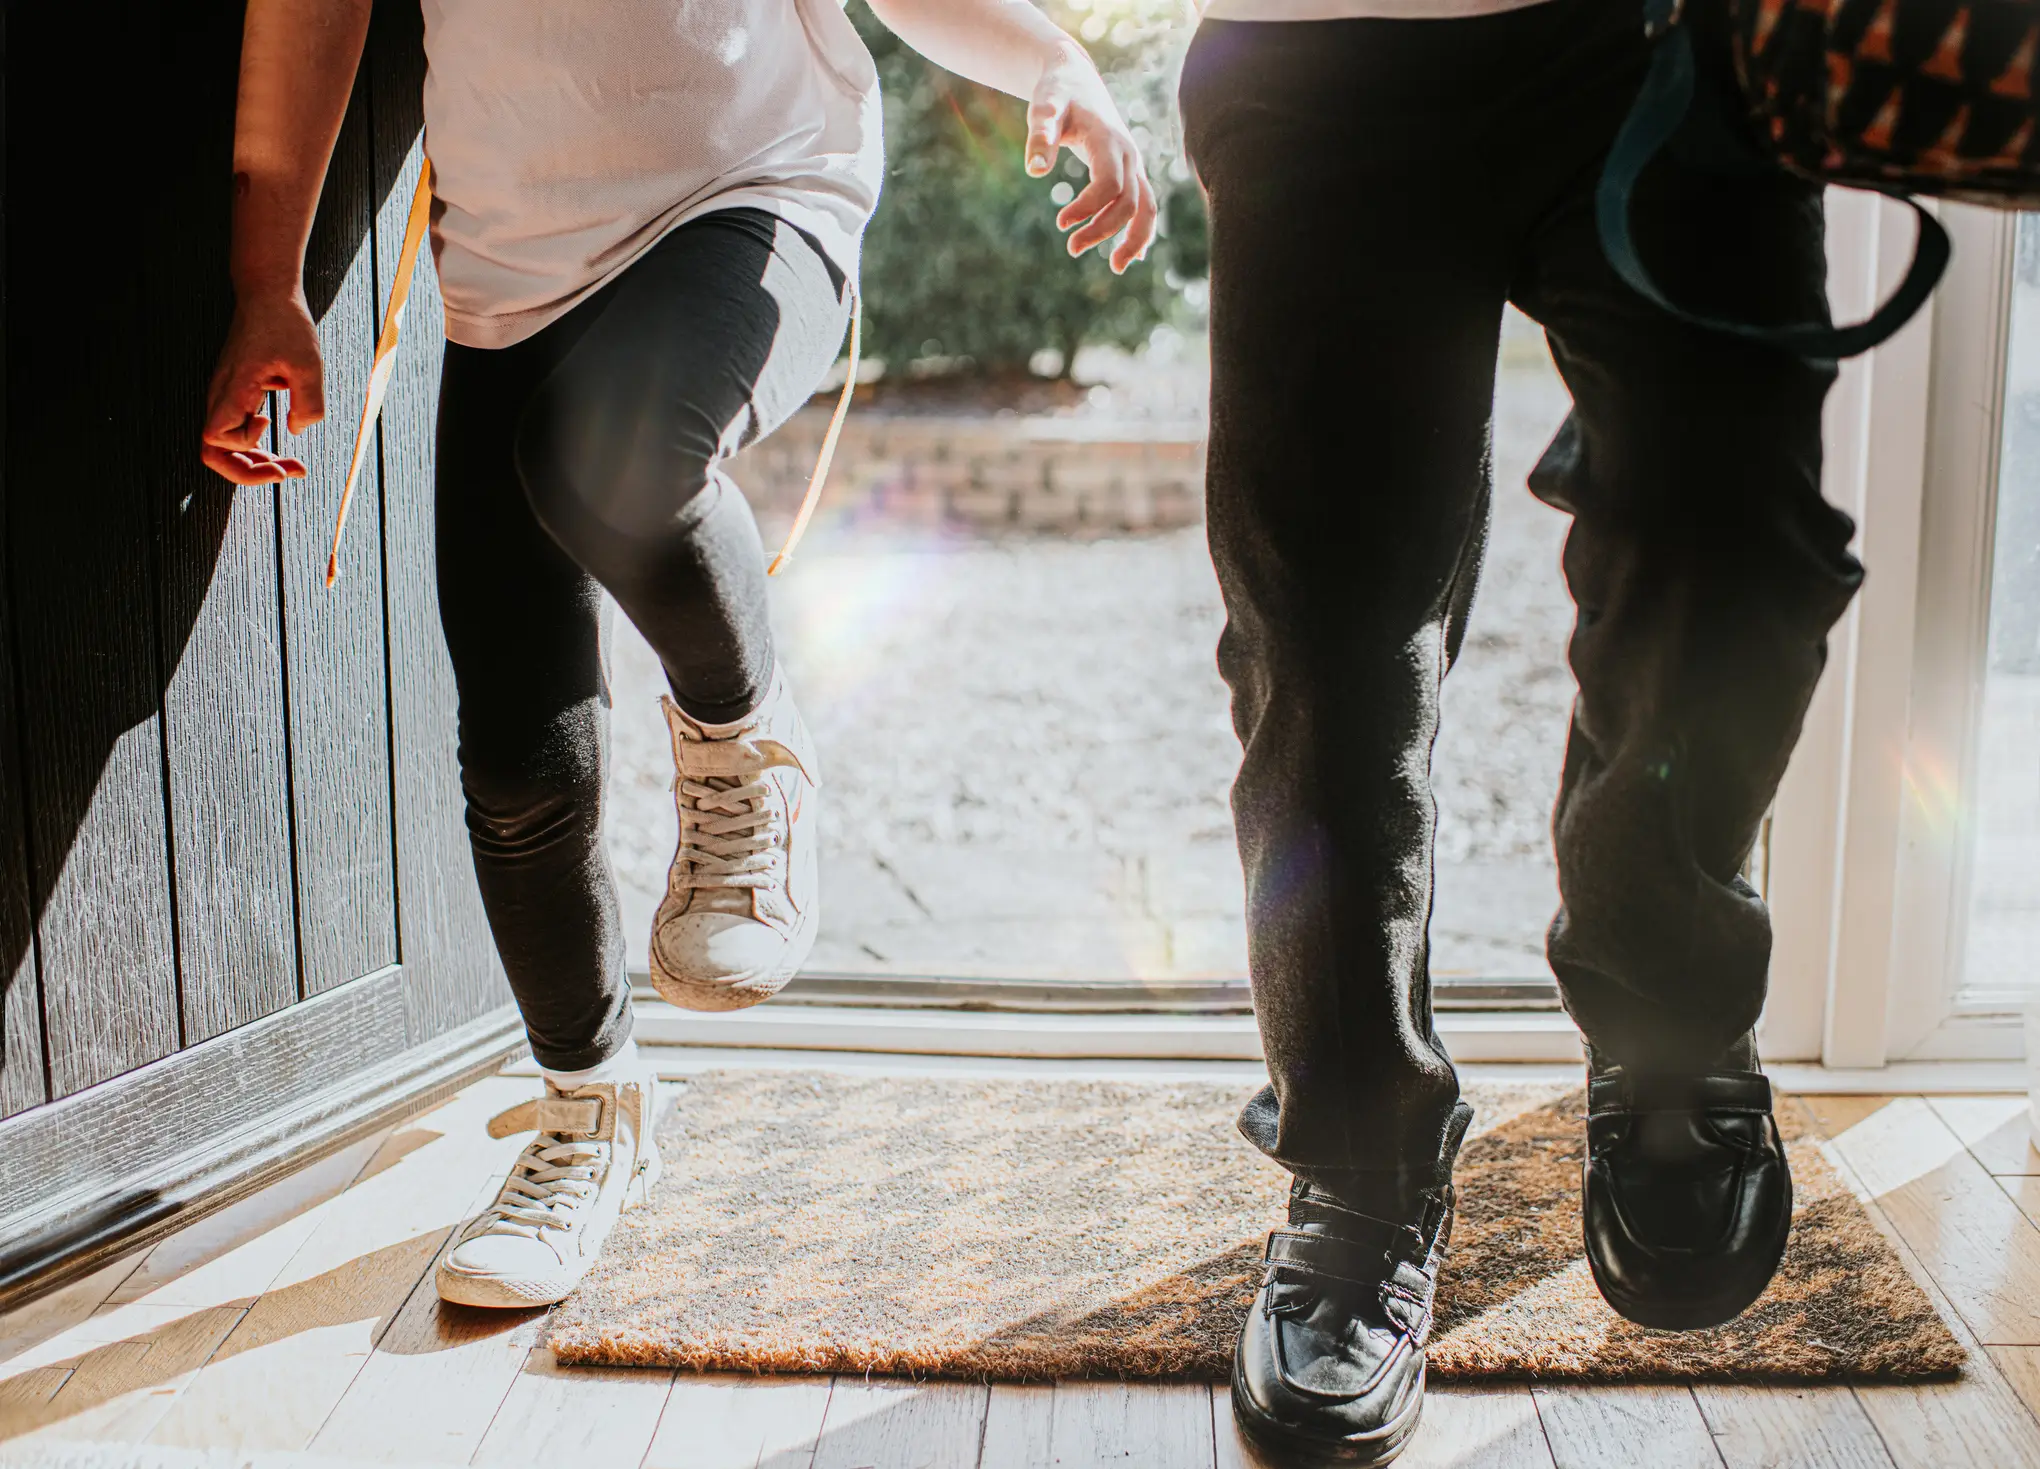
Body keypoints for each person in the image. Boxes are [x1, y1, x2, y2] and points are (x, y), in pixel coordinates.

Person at [203, 0, 1156, 1310]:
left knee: (612, 458)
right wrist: (267, 284)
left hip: (754, 192)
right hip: (509, 271)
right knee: (519, 767)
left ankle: (743, 740)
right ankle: (593, 1115)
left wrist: (1056, 56)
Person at [1178, 0, 1858, 1460]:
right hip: (1320, 49)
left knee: (1734, 541)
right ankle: (1361, 1158)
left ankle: (1668, 1007)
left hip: (1670, 42)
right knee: (1321, 639)